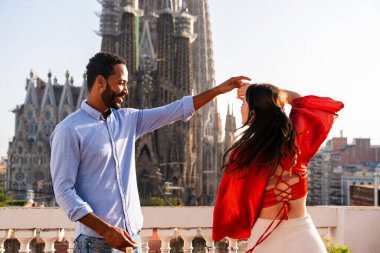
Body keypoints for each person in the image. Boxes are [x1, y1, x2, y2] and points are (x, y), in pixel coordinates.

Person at [50, 52, 249, 253]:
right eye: (121, 83)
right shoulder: (69, 130)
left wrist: (218, 90)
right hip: (96, 243)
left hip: (132, 238)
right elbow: (64, 191)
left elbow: (176, 110)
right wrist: (107, 231)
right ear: (100, 82)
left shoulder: (127, 120)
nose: (126, 90)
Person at [212, 83, 344, 253]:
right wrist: (271, 93)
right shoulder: (297, 142)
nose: (241, 108)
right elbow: (301, 101)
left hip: (265, 241)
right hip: (306, 239)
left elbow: (232, 202)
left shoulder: (245, 156)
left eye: (243, 104)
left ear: (254, 111)